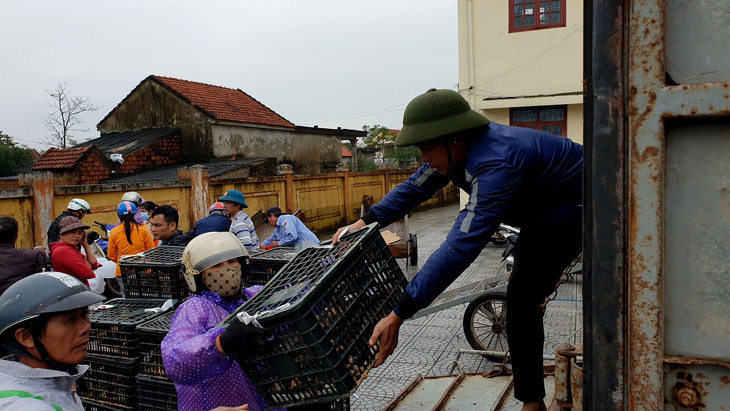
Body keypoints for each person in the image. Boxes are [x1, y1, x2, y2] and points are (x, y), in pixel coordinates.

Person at [332, 89, 582, 411]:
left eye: (427, 148)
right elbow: (413, 189)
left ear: (456, 139)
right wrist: (364, 223)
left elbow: (461, 247)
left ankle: (532, 402)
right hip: (541, 211)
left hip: (576, 207)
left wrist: (399, 314)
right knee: (520, 295)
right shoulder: (454, 153)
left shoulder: (497, 161)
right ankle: (533, 400)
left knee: (523, 296)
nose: (424, 158)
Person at [161, 232, 281, 411]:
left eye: (233, 262)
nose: (227, 269)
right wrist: (221, 343)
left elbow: (295, 294)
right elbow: (174, 362)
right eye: (216, 265)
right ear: (198, 276)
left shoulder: (254, 297)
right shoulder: (195, 308)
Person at [0, 271, 105, 411]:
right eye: (70, 320)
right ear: (26, 337)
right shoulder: (28, 406)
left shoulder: (51, 381)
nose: (85, 328)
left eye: (84, 314)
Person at [107, 201, 155, 297]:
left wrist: (123, 262)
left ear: (119, 215)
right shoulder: (144, 229)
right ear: (134, 213)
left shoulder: (114, 232)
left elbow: (111, 255)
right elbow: (151, 251)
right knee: (146, 298)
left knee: (128, 299)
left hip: (123, 271)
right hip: (144, 270)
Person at [49, 216, 101, 288]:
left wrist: (86, 246)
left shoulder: (71, 247)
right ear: (61, 234)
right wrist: (87, 265)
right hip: (73, 292)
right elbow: (88, 274)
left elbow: (94, 265)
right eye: (73, 232)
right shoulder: (64, 250)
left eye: (80, 233)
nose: (77, 236)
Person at [0, 216, 47, 296]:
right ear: (16, 237)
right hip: (22, 302)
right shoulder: (30, 256)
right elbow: (40, 256)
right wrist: (39, 250)